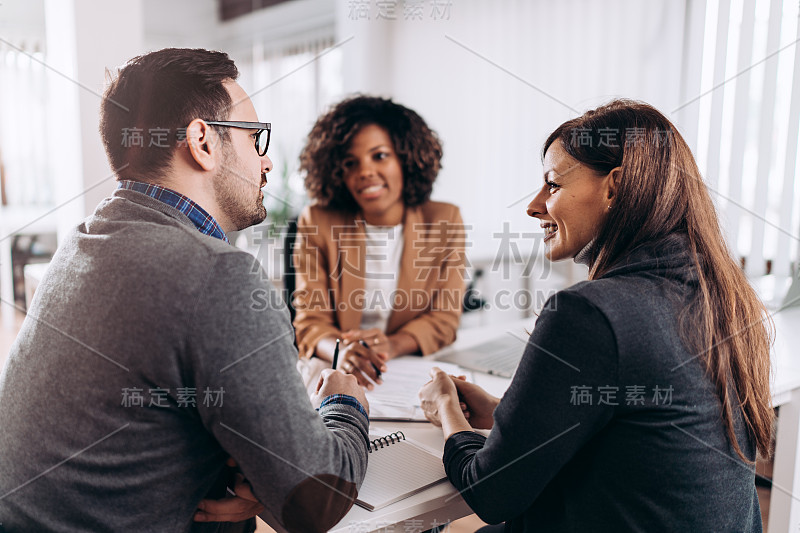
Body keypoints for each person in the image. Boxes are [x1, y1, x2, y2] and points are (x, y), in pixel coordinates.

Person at [0, 48, 370, 533]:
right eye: (255, 139)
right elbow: (312, 503)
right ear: (202, 142)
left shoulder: (83, 245)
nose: (266, 165)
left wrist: (232, 462)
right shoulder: (218, 276)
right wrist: (346, 403)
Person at [419, 99, 773, 532]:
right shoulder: (725, 297)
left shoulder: (589, 313)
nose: (533, 206)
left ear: (614, 187)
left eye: (552, 185)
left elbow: (491, 492)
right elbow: (643, 426)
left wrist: (445, 411)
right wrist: (505, 413)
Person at [293, 96, 466, 389]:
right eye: (350, 162)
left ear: (405, 159)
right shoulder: (317, 220)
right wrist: (342, 351)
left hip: (402, 369)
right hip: (333, 369)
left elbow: (443, 319)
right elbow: (310, 322)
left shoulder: (444, 219)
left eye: (380, 155)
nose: (365, 172)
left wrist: (390, 345)